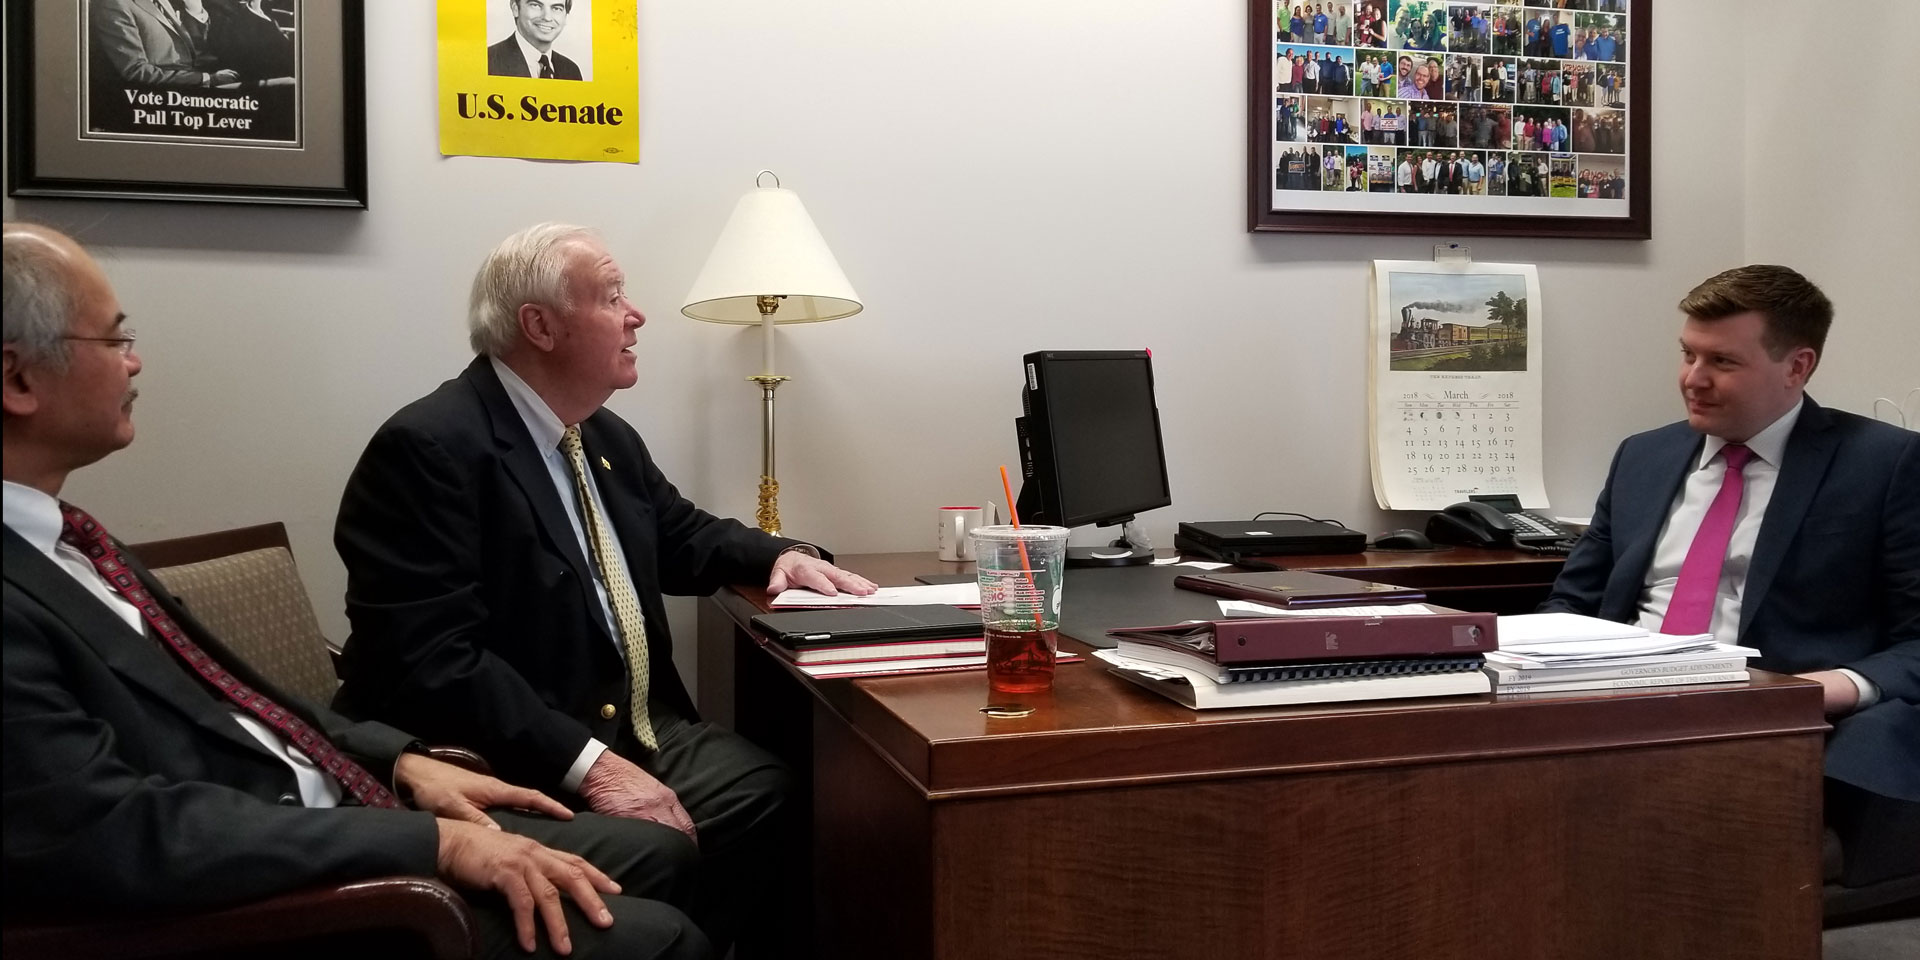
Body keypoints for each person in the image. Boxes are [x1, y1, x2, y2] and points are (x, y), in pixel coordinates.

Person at [1, 223, 714, 959]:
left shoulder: (68, 542)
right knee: (664, 939)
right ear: (18, 378)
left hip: (346, 797)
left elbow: (241, 705)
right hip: (282, 888)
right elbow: (113, 835)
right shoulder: (434, 444)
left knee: (665, 855)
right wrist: (429, 843)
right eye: (114, 341)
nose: (136, 361)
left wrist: (400, 761)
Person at [331, 223, 877, 955]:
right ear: (541, 325)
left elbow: (682, 537)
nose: (637, 314)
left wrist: (788, 552)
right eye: (613, 296)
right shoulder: (430, 449)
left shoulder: (600, 435)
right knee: (692, 838)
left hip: (637, 729)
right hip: (507, 755)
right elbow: (431, 663)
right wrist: (593, 765)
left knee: (785, 791)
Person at [1540, 265, 1919, 887]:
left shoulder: (1885, 464)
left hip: (1766, 719)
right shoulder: (1644, 455)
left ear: (1798, 366)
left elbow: (1916, 639)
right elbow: (1571, 604)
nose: (1693, 379)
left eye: (1722, 361)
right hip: (1614, 703)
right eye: (1687, 354)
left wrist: (1828, 687)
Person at [89, 0, 239, 89]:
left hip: (188, 83)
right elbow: (136, 71)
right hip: (157, 98)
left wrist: (196, 12)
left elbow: (187, 52)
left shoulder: (162, 1)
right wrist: (207, 79)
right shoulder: (114, 4)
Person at [488, 0, 584, 80]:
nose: (547, 17)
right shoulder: (488, 61)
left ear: (565, 16)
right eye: (536, 5)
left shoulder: (571, 70)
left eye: (556, 8)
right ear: (515, 8)